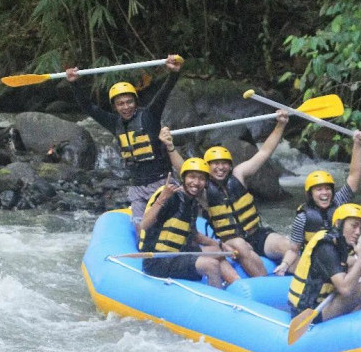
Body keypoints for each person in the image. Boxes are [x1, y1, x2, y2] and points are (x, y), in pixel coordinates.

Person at [65, 55, 184, 229]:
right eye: (120, 104)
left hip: (160, 182)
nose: (126, 107)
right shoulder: (114, 123)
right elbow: (89, 108)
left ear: (135, 102)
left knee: (170, 226)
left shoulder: (150, 116)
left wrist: (173, 73)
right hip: (137, 186)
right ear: (115, 107)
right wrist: (74, 83)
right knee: (139, 228)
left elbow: (163, 94)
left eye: (129, 102)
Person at [202, 110, 297, 277]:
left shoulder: (239, 174)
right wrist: (170, 147)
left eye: (224, 164)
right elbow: (183, 169)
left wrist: (280, 125)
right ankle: (265, 286)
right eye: (215, 164)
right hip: (231, 241)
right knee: (240, 243)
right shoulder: (202, 188)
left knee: (286, 245)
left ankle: (307, 284)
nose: (220, 168)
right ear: (207, 167)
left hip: (256, 234)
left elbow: (264, 153)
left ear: (230, 166)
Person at [138, 158, 240, 289]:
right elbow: (144, 225)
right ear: (184, 178)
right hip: (158, 260)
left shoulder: (192, 202)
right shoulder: (170, 196)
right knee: (211, 265)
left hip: (179, 253)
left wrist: (221, 245)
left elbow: (194, 235)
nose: (196, 183)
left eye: (201, 179)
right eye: (192, 177)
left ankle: (236, 284)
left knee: (218, 252)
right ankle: (218, 300)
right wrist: (162, 199)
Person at [288, 203, 361, 322]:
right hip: (309, 311)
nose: (357, 232)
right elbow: (345, 289)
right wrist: (360, 259)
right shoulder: (326, 248)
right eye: (354, 226)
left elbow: (356, 277)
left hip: (322, 303)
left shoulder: (340, 243)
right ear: (338, 223)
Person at [288, 130, 361, 253]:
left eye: (327, 188)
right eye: (319, 189)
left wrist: (357, 144)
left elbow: (354, 176)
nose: (325, 193)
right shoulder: (302, 218)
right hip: (316, 262)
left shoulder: (339, 202)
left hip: (340, 258)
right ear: (310, 194)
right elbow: (294, 249)